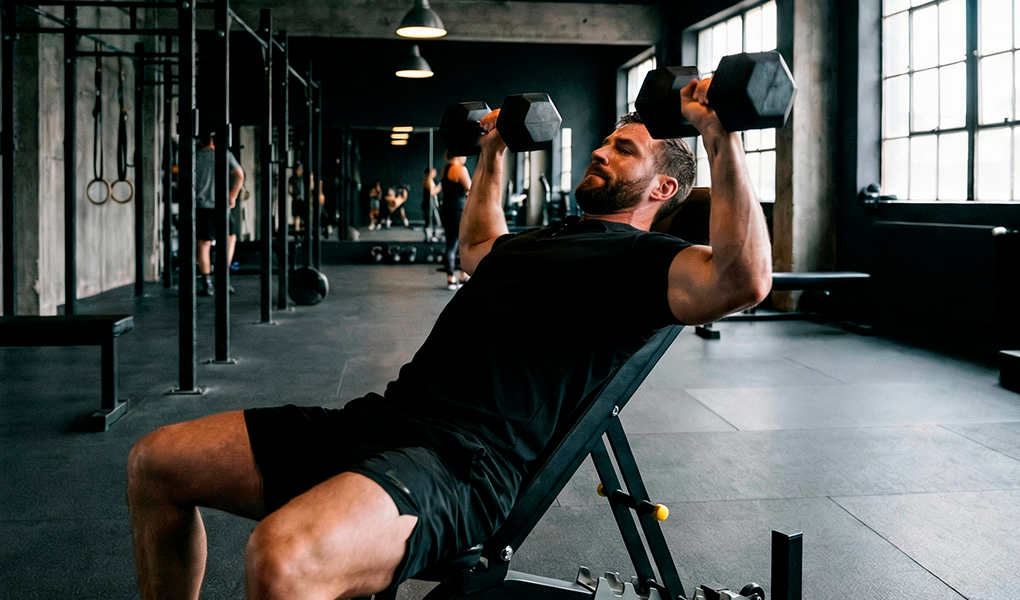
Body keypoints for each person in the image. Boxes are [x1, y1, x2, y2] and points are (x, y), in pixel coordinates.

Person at [126, 77, 772, 600]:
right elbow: (476, 247)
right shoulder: (541, 238)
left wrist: (720, 133)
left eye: (623, 150)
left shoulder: (649, 260)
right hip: (382, 421)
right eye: (605, 142)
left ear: (663, 187)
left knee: (283, 558)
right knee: (157, 463)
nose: (601, 152)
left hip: (460, 464)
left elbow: (742, 281)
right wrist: (492, 150)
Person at [195, 131, 244, 297]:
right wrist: (232, 197)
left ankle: (207, 284)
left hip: (201, 206)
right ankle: (223, 279)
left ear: (201, 141)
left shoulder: (194, 156)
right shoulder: (224, 154)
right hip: (221, 206)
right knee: (230, 239)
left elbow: (183, 180)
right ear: (214, 141)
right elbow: (239, 175)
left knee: (204, 244)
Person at [439, 150, 472, 289]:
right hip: (458, 212)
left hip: (446, 211)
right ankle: (463, 276)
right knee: (463, 244)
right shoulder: (460, 169)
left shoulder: (445, 169)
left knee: (451, 245)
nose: (466, 157)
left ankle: (451, 278)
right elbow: (470, 189)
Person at [422, 167, 442, 241]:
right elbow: (432, 192)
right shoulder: (428, 181)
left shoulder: (430, 181)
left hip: (431, 204)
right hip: (430, 205)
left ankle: (432, 236)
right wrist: (440, 186)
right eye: (433, 171)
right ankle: (431, 236)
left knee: (433, 221)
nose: (435, 173)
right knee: (434, 221)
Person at [289, 163, 307, 232]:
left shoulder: (303, 178)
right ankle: (297, 232)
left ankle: (303, 231)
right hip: (296, 199)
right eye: (299, 169)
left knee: (303, 216)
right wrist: (294, 194)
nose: (300, 171)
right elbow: (290, 189)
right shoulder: (293, 179)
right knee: (296, 216)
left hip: (302, 199)